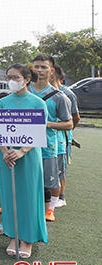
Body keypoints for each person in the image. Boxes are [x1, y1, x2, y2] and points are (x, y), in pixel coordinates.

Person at [0, 64, 48, 258]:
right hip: (6, 157)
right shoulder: (3, 102)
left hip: (29, 157)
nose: (11, 81)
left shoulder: (37, 103)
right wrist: (5, 151)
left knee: (29, 197)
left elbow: (39, 130)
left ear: (27, 79)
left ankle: (27, 239)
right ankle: (12, 235)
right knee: (9, 196)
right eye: (9, 77)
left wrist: (22, 151)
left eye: (16, 77)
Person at [29, 55, 72, 223]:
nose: (39, 70)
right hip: (23, 145)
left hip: (48, 146)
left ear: (51, 71)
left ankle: (50, 209)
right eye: (37, 66)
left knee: (52, 182)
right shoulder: (24, 92)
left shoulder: (59, 97)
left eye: (44, 67)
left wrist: (47, 124)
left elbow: (68, 124)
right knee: (22, 177)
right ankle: (16, 205)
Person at [50, 64, 80, 208]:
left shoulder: (66, 94)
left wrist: (69, 132)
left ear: (53, 74)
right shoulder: (39, 91)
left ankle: (61, 196)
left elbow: (76, 117)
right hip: (48, 136)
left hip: (62, 136)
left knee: (61, 166)